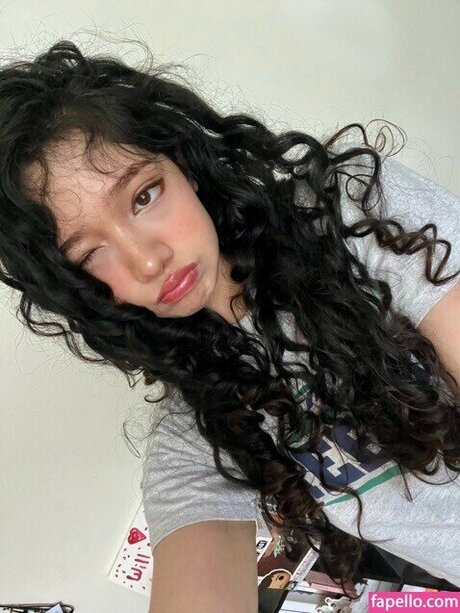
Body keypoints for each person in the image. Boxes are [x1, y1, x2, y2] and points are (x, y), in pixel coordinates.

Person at [0, 39, 459, 610]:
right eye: (91, 253)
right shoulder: (200, 433)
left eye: (143, 196)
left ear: (185, 165)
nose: (147, 261)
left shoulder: (354, 216)